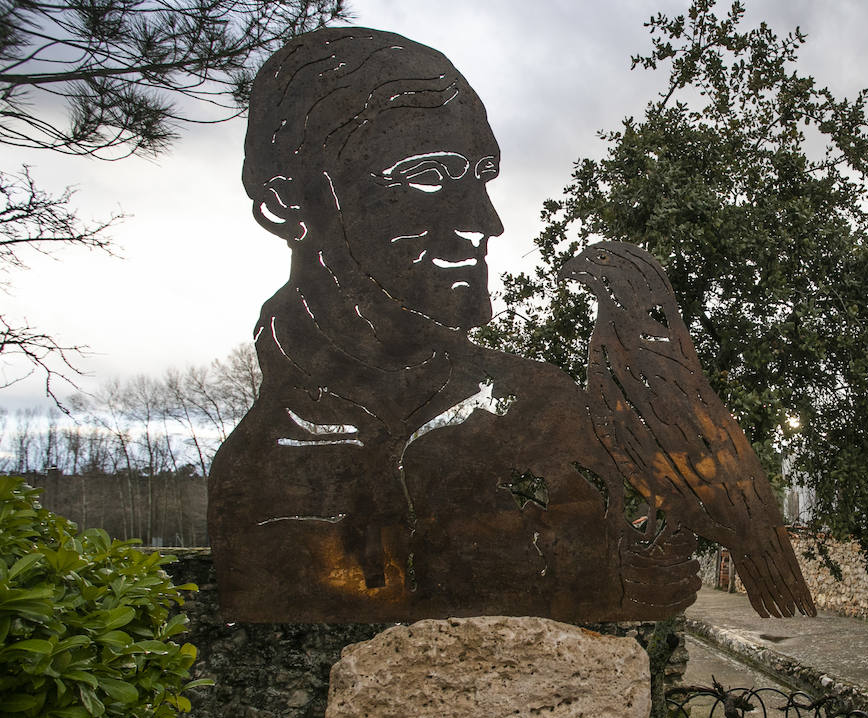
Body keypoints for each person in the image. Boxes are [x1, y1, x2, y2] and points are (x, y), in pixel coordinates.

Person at [209, 27, 701, 624]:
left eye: (481, 177)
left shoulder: (542, 412)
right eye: (428, 176)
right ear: (288, 202)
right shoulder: (259, 469)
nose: (485, 223)